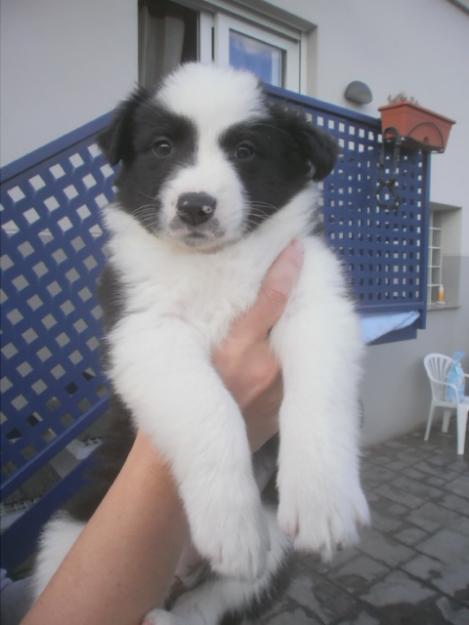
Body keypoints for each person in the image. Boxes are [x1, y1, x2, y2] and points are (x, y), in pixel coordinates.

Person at [21, 240, 304, 625]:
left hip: (248, 514)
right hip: (141, 495)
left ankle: (203, 612)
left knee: (274, 544)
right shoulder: (145, 281)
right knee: (63, 538)